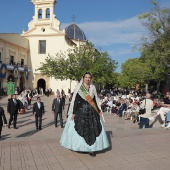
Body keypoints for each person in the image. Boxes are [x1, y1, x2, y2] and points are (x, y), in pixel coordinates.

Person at [60, 72, 109, 157]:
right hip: (81, 111)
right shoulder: (79, 87)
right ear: (83, 78)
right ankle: (80, 147)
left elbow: (94, 100)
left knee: (93, 129)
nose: (88, 79)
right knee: (79, 128)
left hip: (92, 112)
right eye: (86, 77)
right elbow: (75, 101)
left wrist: (99, 110)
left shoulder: (93, 87)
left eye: (89, 77)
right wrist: (74, 113)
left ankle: (92, 149)